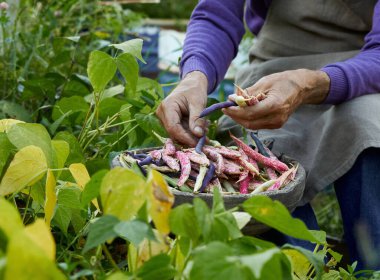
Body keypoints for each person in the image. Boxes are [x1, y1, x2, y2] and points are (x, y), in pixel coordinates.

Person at [156, 0, 380, 270]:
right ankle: (302, 268)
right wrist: (194, 76)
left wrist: (308, 84)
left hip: (368, 72)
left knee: (367, 131)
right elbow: (217, 13)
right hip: (276, 69)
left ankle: (372, 267)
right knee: (260, 164)